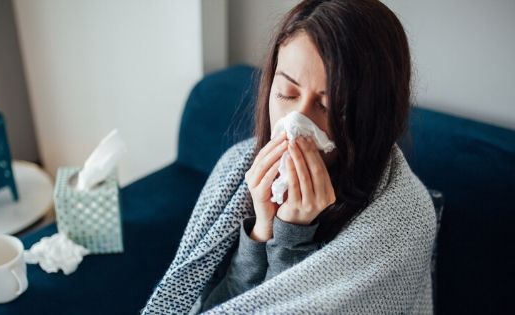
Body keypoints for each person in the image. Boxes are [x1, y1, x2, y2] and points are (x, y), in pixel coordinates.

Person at [141, 0, 436, 314]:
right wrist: (261, 231)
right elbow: (216, 307)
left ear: (373, 116)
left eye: (329, 107)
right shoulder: (237, 165)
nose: (296, 123)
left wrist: (291, 237)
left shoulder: (405, 220)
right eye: (287, 93)